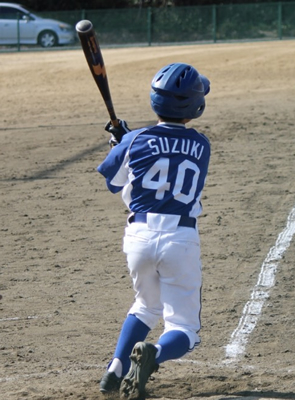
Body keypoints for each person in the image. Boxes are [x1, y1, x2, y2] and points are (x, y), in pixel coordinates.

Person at [96, 63, 211, 400]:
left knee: (146, 306)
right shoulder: (202, 145)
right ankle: (153, 356)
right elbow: (170, 151)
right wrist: (126, 140)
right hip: (180, 239)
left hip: (139, 238)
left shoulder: (135, 140)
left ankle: (115, 369)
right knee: (184, 328)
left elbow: (114, 182)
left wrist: (119, 143)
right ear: (195, 107)